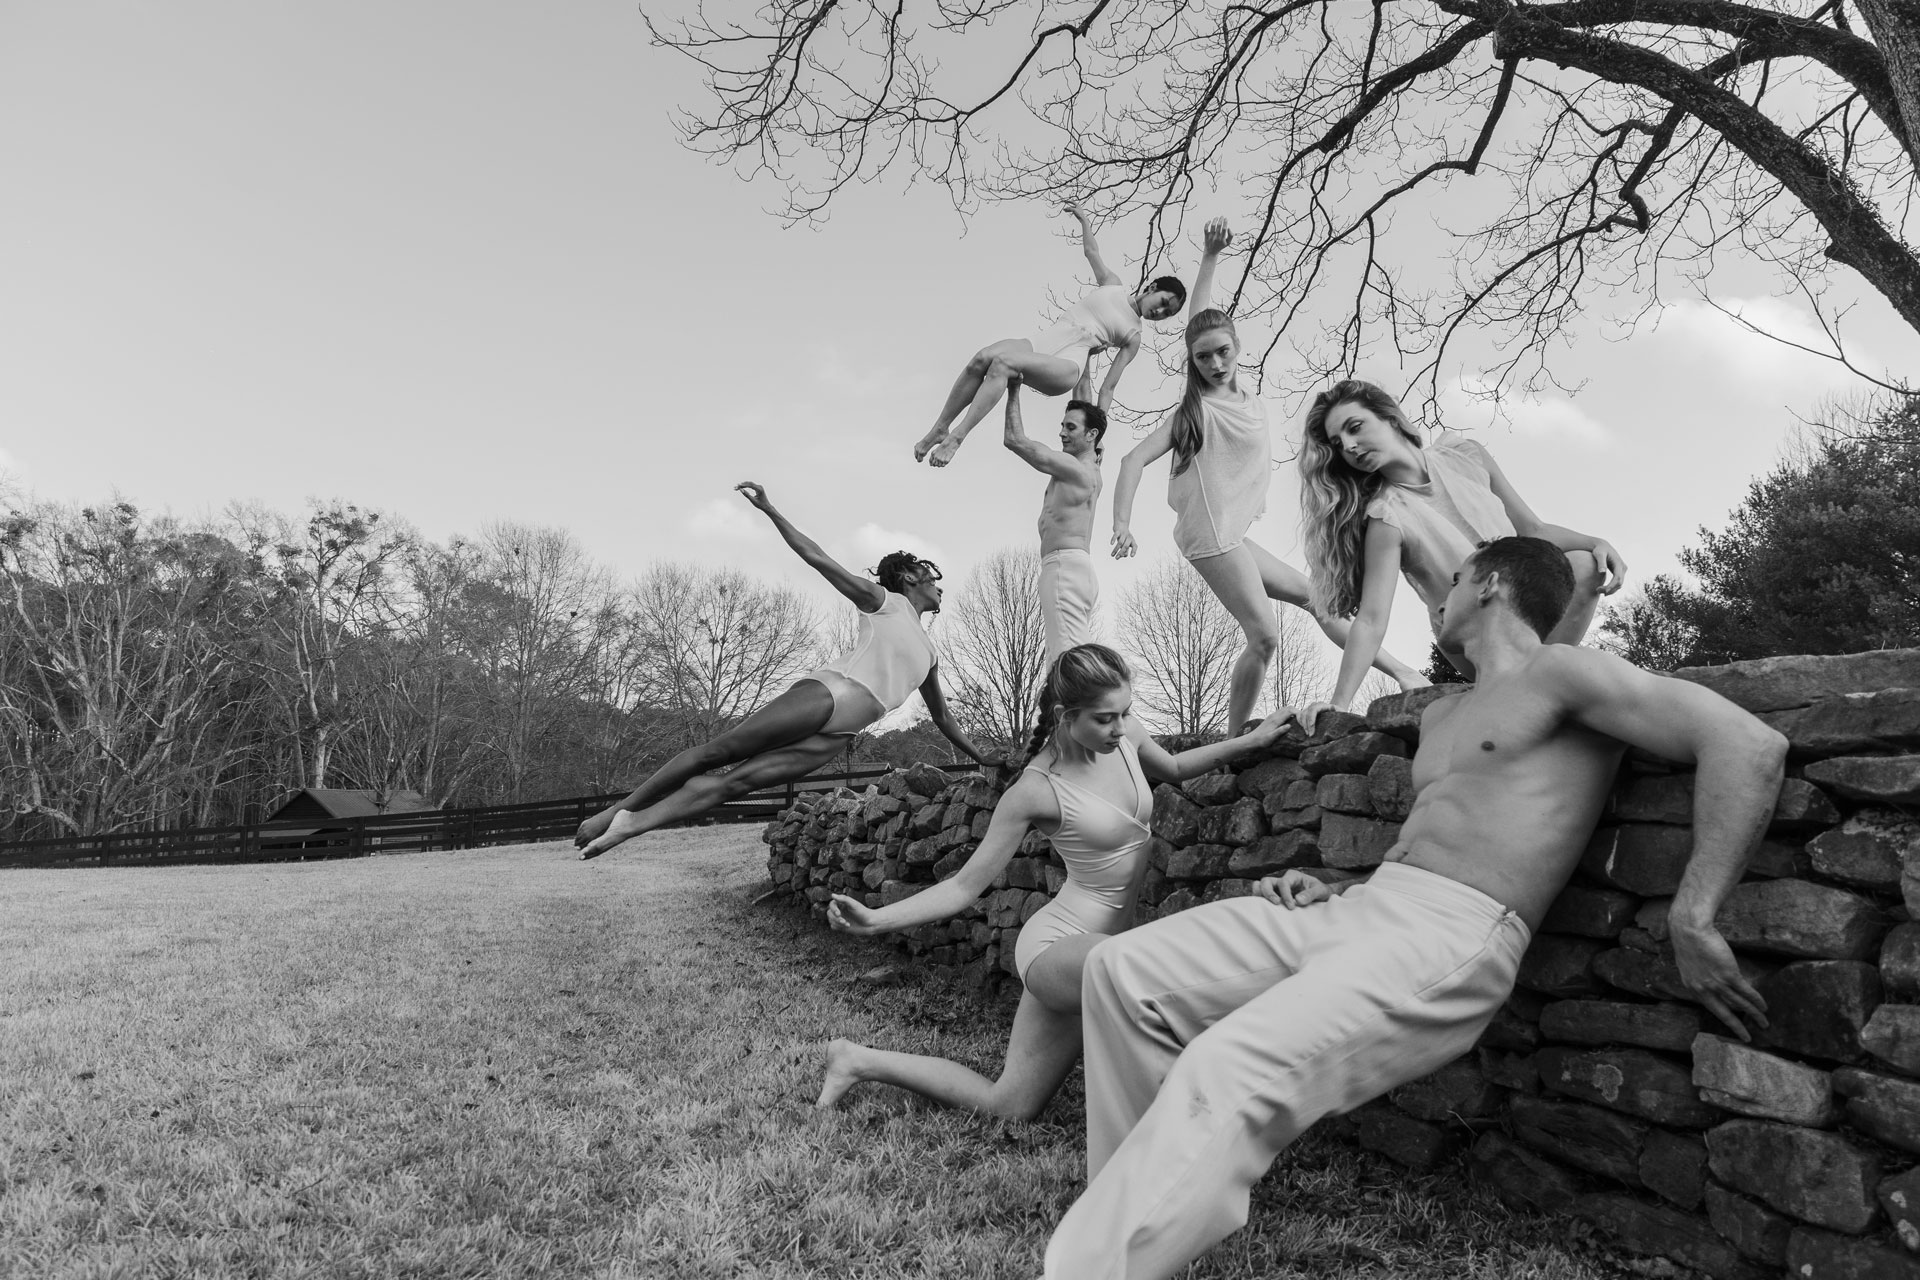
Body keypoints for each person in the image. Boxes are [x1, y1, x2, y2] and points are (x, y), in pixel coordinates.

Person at [1038, 536, 1788, 1280]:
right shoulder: (1446, 713)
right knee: (1120, 973)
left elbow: (1747, 744)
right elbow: (1442, 837)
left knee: (1226, 1066)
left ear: (1489, 585)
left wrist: (1694, 914)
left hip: (1450, 935)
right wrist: (1340, 885)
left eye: (1454, 579)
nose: (1438, 596)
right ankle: (1132, 1218)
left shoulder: (1563, 673)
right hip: (1363, 907)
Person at [815, 643, 1301, 1118]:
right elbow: (964, 886)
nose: (1119, 727)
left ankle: (855, 1060)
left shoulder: (1125, 734)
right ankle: (1198, 1113)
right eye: (1104, 719)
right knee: (1147, 975)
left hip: (1103, 951)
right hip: (1058, 948)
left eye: (1125, 712)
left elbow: (1174, 767)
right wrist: (876, 920)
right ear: (1067, 716)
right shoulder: (1035, 790)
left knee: (1009, 1105)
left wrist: (1251, 741)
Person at [1109, 217, 1422, 734]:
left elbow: (1202, 318)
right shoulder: (1195, 411)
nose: (1215, 363)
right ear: (1192, 361)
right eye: (1203, 357)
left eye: (1223, 352)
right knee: (1265, 636)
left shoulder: (1243, 393)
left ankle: (1404, 673)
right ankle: (1233, 745)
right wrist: (1122, 523)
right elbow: (1130, 461)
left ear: (1237, 346)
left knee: (1318, 598)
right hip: (1210, 535)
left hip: (1233, 534)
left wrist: (1211, 256)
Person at [574, 482, 999, 859]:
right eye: (932, 577)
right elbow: (817, 558)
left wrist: (983, 757)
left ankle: (631, 826)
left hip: (841, 733)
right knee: (718, 752)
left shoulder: (930, 653)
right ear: (909, 577)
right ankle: (616, 811)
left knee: (735, 784)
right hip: (831, 694)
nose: (939, 586)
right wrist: (771, 510)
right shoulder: (884, 601)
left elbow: (943, 718)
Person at [1298, 377, 1628, 716]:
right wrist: (1339, 703)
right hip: (1473, 634)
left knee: (1587, 564)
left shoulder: (1466, 456)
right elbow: (1371, 620)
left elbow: (1533, 530)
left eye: (1355, 428)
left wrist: (1596, 542)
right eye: (1338, 444)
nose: (1349, 446)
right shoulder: (1387, 517)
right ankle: (1539, 688)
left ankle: (1533, 686)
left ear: (1389, 418)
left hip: (1528, 608)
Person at [913, 201, 1186, 469]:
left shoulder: (1133, 336)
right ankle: (941, 427)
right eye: (1164, 303)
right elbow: (1091, 251)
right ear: (1152, 287)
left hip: (1068, 365)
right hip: (1043, 342)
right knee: (982, 358)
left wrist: (1097, 434)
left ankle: (957, 437)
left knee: (1003, 364)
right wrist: (1084, 220)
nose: (1160, 312)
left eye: (1167, 314)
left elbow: (1108, 388)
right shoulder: (1112, 286)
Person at [1004, 377, 1106, 659]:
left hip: (1064, 568)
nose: (1061, 432)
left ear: (1091, 435)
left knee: (1070, 662)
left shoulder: (1076, 469)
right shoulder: (1092, 465)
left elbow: (1014, 440)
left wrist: (1013, 388)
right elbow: (1083, 395)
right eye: (1062, 425)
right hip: (1072, 568)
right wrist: (1084, 357)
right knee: (1058, 661)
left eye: (1070, 427)